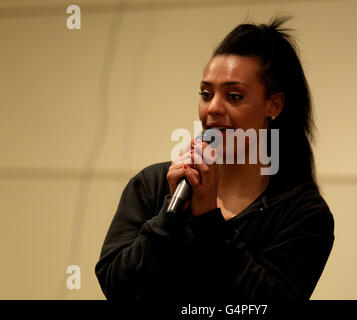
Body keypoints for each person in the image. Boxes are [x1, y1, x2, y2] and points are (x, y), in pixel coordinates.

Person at [95, 16, 334, 305]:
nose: (213, 108)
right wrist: (170, 216)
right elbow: (116, 287)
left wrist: (208, 220)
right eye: (206, 94)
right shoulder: (153, 185)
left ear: (273, 105)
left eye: (233, 96)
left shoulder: (303, 213)